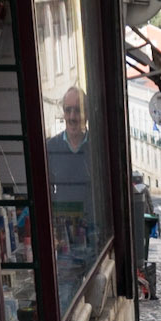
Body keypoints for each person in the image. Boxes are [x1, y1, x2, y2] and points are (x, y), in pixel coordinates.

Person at [47, 85, 96, 272]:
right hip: (64, 239)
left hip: (93, 237)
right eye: (68, 110)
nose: (73, 117)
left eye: (77, 110)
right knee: (67, 294)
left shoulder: (96, 147)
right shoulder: (51, 148)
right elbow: (47, 194)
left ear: (86, 113)